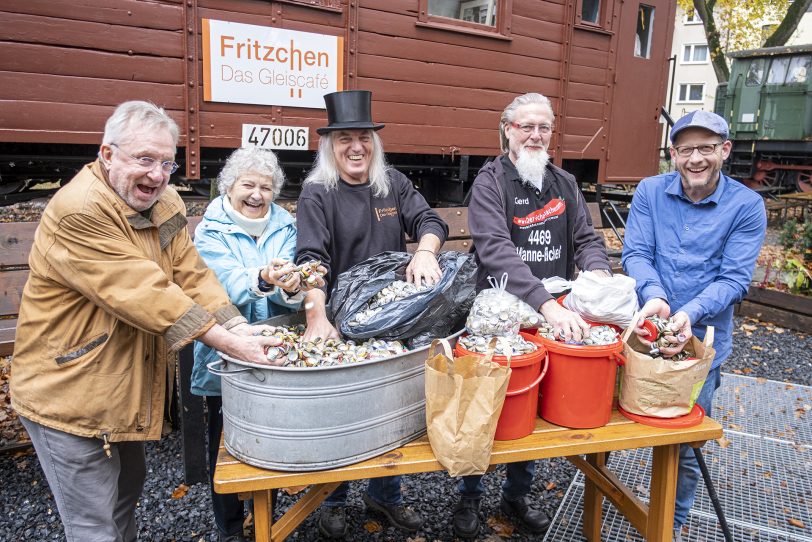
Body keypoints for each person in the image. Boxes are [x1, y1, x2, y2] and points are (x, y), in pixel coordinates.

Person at [10, 101, 281, 542]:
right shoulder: (79, 210)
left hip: (118, 385)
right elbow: (142, 292)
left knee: (124, 498)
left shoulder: (164, 201)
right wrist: (229, 344)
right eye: (144, 159)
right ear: (108, 154)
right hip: (69, 392)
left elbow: (189, 272)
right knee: (93, 525)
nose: (157, 175)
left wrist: (236, 325)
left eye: (166, 162)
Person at [295, 89, 449, 538]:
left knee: (393, 408)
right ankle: (334, 499)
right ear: (330, 146)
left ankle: (386, 496)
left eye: (364, 137)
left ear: (374, 143)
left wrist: (424, 252)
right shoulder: (317, 193)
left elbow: (431, 222)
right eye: (345, 140)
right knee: (340, 414)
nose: (356, 147)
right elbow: (310, 259)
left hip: (391, 317)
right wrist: (316, 318)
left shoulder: (392, 182)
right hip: (342, 319)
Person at [461, 92, 613, 538]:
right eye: (525, 126)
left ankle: (516, 494)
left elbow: (586, 239)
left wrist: (598, 277)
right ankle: (469, 496)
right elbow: (495, 250)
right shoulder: (490, 183)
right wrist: (543, 301)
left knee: (534, 405)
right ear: (507, 129)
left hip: (552, 318)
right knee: (486, 408)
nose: (535, 135)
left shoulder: (564, 183)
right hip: (496, 315)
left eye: (543, 127)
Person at [622, 110, 766, 542]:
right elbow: (636, 253)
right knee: (618, 425)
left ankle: (672, 522)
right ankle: (609, 495)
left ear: (725, 150)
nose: (696, 158)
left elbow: (735, 279)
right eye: (687, 149)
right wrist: (657, 297)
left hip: (701, 344)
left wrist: (689, 313)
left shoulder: (746, 206)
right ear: (673, 154)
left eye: (707, 147)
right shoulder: (650, 191)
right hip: (648, 331)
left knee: (684, 444)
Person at [191, 147, 324, 541]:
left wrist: (292, 285)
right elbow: (220, 284)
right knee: (226, 443)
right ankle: (229, 526)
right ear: (229, 186)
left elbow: (289, 290)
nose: (257, 194)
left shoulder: (285, 225)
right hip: (227, 353)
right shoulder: (210, 229)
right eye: (248, 185)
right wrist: (264, 278)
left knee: (272, 438)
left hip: (278, 354)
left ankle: (264, 520)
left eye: (266, 187)